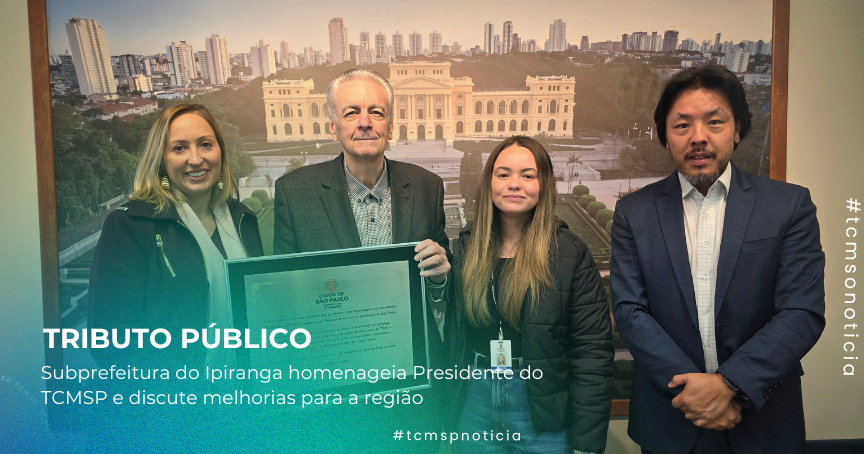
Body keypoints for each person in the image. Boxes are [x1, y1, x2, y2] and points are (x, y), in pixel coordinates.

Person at [610, 65, 825, 454]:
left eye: (714, 122)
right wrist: (696, 395)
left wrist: (730, 385)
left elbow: (801, 312)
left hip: (761, 420)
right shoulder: (634, 212)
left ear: (737, 129)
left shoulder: (788, 205)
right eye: (682, 125)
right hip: (670, 420)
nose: (698, 137)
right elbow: (630, 311)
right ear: (665, 136)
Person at [272, 69, 450, 453]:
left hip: (408, 396)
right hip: (331, 400)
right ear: (333, 126)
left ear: (391, 124)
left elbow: (440, 288)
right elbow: (283, 299)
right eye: (352, 112)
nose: (365, 122)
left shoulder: (427, 186)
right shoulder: (295, 192)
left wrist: (440, 278)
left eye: (376, 112)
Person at [86, 103, 264, 449]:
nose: (195, 159)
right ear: (161, 161)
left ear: (220, 152)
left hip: (239, 412)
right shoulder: (130, 226)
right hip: (166, 423)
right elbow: (110, 344)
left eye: (205, 144)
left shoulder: (242, 218)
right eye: (179, 148)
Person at [446, 136, 613, 454]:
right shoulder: (465, 247)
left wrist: (587, 442)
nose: (514, 184)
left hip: (541, 406)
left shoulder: (569, 251)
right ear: (489, 182)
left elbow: (592, 352)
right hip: (475, 399)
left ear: (544, 184)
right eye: (503, 174)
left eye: (528, 175)